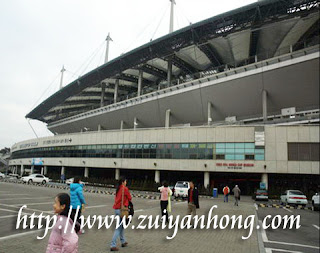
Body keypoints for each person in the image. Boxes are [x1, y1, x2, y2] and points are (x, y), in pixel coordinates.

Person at [110, 177, 132, 251]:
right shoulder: (124, 188)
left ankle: (123, 241)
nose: (126, 182)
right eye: (125, 181)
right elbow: (129, 197)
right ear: (123, 182)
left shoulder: (118, 188)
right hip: (122, 210)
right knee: (119, 228)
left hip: (117, 209)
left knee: (122, 226)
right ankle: (113, 245)